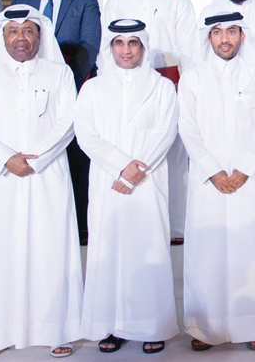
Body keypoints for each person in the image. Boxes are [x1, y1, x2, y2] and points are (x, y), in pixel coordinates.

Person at [0, 5, 82, 359]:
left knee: (51, 251)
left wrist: (36, 160)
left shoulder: (59, 73)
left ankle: (57, 330)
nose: (21, 38)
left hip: (48, 177)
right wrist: (6, 159)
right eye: (13, 32)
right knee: (0, 255)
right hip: (3, 179)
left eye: (28, 31)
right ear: (2, 37)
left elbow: (68, 121)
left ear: (39, 36)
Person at [179, 11, 255, 352]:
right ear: (208, 38)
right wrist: (212, 170)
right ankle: (205, 327)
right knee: (207, 253)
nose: (225, 38)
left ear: (243, 35)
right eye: (218, 32)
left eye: (232, 32)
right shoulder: (193, 77)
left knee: (251, 250)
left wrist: (243, 168)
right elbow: (187, 128)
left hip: (248, 180)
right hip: (208, 180)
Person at [75, 19, 179, 355]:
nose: (126, 50)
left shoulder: (162, 87)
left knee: (147, 249)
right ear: (110, 48)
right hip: (108, 181)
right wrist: (122, 166)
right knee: (110, 250)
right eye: (119, 43)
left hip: (148, 182)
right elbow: (86, 135)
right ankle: (113, 324)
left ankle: (152, 325)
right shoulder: (92, 88)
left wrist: (136, 169)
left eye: (133, 43)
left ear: (143, 47)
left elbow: (165, 132)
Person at [100, 0, 196, 241]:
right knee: (131, 143)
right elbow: (107, 45)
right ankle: (132, 218)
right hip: (126, 80)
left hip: (169, 78)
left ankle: (176, 225)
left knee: (173, 152)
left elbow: (189, 48)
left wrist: (190, 88)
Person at [12, 0, 102, 243]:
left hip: (71, 89)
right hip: (25, 91)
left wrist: (58, 80)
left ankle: (76, 230)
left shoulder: (86, 0)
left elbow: (88, 47)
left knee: (74, 160)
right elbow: (13, 44)